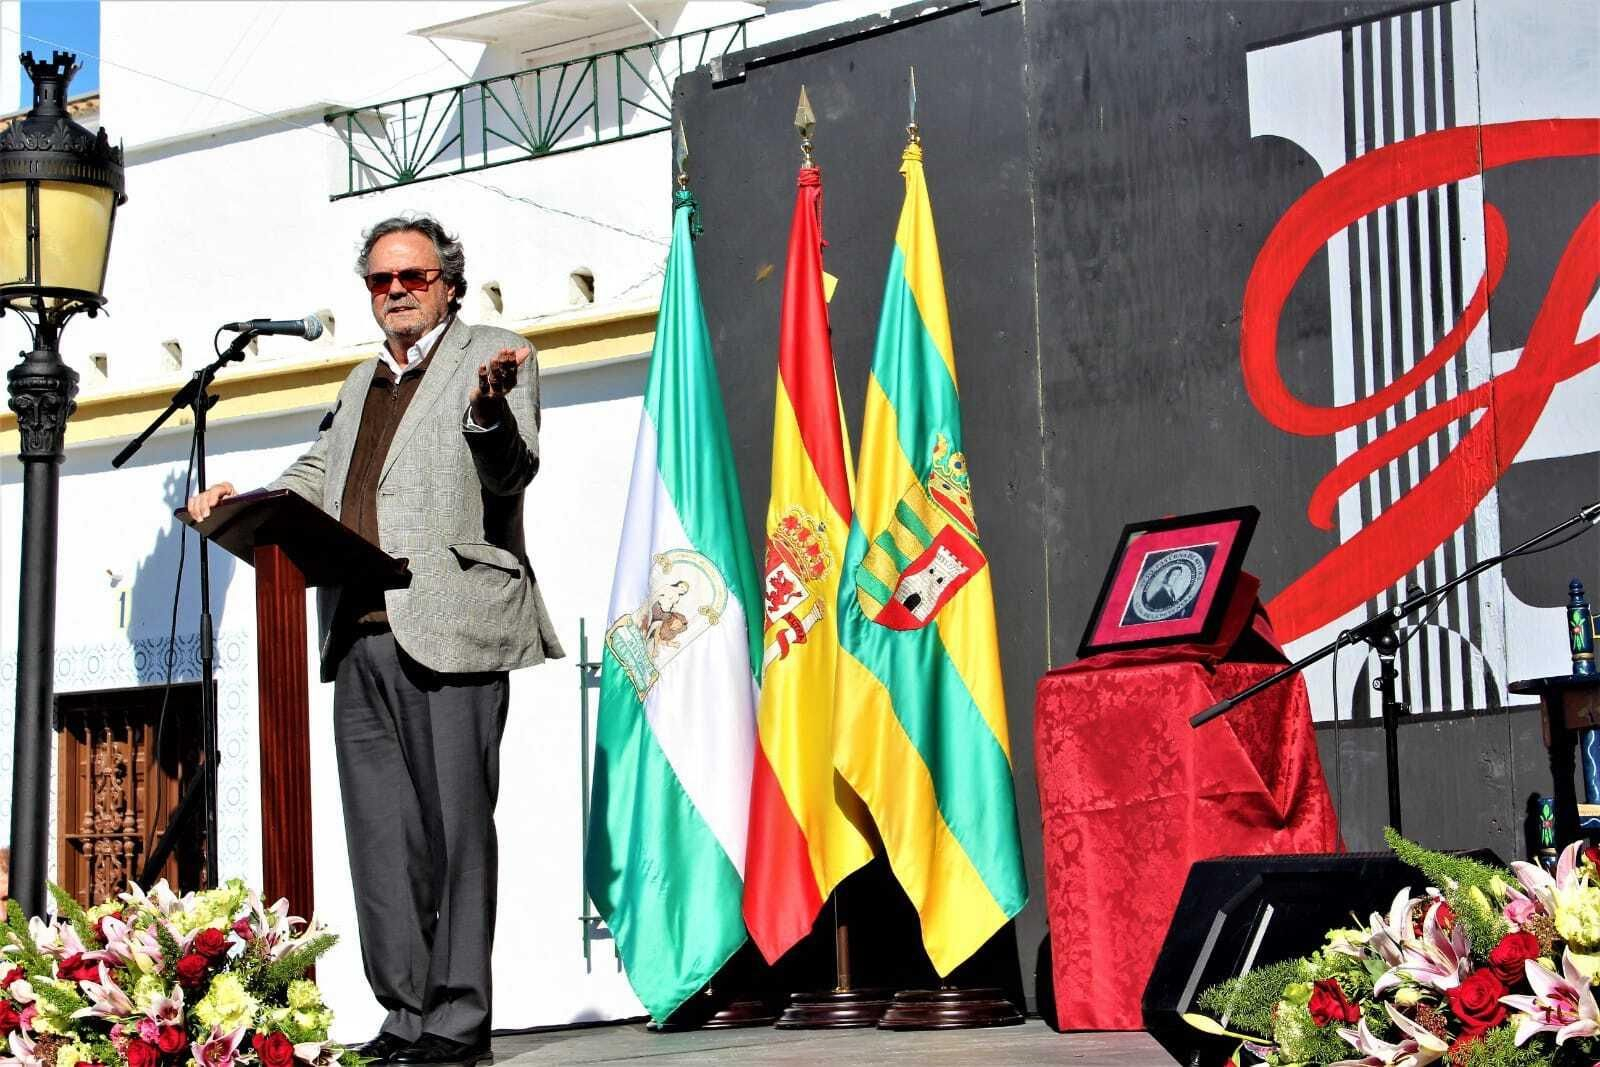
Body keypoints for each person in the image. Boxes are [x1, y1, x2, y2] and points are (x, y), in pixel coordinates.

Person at [187, 215, 563, 1066]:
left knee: (457, 833)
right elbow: (318, 474)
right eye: (381, 280)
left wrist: (486, 411)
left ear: (448, 284)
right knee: (382, 841)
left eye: (413, 277)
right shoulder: (361, 381)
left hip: (451, 625)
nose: (397, 291)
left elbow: (511, 469)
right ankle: (405, 1012)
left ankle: (457, 1020)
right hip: (357, 634)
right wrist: (240, 500)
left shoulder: (496, 355)